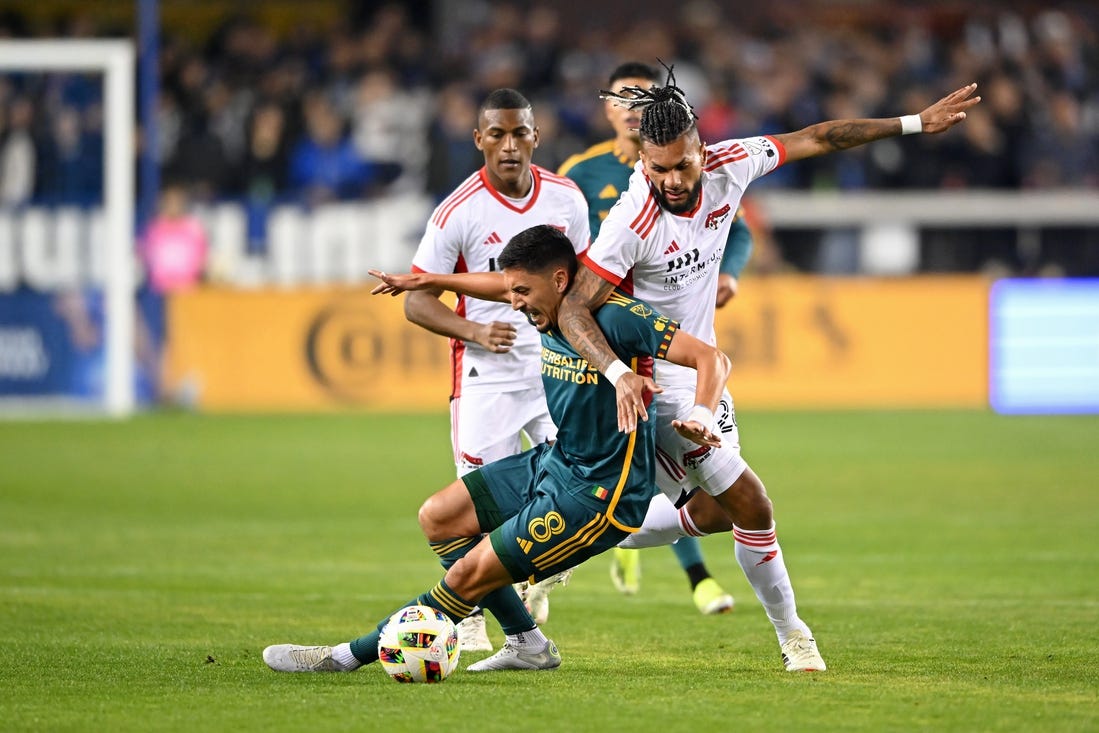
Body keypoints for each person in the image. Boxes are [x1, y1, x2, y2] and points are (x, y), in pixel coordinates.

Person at [557, 68, 981, 672]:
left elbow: (821, 137)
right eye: (657, 170)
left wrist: (913, 122)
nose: (671, 181)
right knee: (753, 506)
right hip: (656, 377)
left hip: (701, 366)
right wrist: (617, 374)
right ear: (642, 163)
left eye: (682, 166)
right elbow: (574, 307)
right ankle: (795, 637)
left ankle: (574, 542)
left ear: (701, 148)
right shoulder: (631, 222)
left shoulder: (734, 163)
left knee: (706, 512)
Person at [263, 224, 730, 674]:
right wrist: (430, 279)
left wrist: (704, 414)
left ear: (560, 280)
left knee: (468, 576)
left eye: (521, 292)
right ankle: (527, 643)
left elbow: (711, 357)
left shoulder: (616, 316)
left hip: (599, 495)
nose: (513, 302)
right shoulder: (544, 301)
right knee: (439, 516)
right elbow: (496, 284)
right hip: (557, 461)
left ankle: (347, 655)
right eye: (511, 291)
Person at [402, 88, 591, 651]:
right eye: (498, 135)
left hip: (558, 367)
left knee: (576, 485)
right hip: (487, 376)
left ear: (536, 136)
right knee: (475, 507)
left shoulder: (566, 199)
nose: (510, 146)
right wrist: (475, 330)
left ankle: (544, 570)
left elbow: (584, 287)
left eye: (520, 134)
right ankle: (478, 619)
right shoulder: (457, 212)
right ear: (479, 139)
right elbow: (417, 298)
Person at [559, 61, 748, 614]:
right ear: (607, 108)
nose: (629, 108)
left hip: (665, 341)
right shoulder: (582, 174)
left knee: (681, 486)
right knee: (681, 483)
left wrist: (730, 269)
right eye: (620, 98)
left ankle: (586, 545)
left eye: (639, 99)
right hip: (612, 341)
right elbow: (567, 268)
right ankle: (693, 578)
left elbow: (736, 228)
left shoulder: (690, 171)